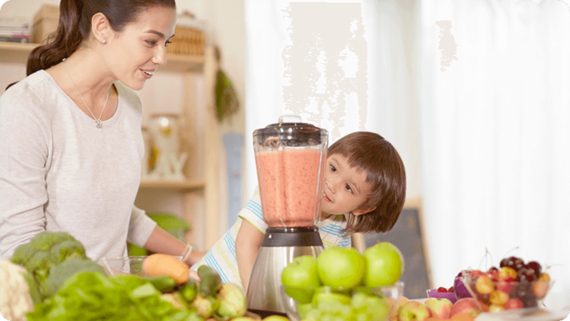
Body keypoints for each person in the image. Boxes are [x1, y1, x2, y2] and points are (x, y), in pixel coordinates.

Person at [0, 0, 204, 268]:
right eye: (151, 41)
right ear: (102, 28)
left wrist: (195, 257)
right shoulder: (27, 105)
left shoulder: (130, 105)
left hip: (114, 301)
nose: (161, 58)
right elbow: (21, 245)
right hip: (52, 304)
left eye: (166, 43)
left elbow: (115, 212)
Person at [192, 131, 407, 292]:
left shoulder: (340, 230)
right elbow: (245, 243)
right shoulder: (279, 189)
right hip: (210, 286)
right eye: (333, 168)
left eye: (349, 188)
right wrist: (256, 304)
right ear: (321, 156)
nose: (332, 184)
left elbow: (329, 278)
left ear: (362, 209)